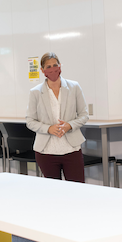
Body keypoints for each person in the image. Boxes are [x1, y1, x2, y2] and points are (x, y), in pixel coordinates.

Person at [26, 52, 89, 182]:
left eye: (55, 65)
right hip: (46, 152)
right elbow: (30, 121)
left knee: (77, 190)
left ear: (60, 66)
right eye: (48, 66)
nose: (52, 69)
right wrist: (48, 128)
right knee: (53, 195)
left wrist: (70, 125)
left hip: (71, 149)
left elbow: (84, 115)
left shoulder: (74, 87)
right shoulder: (35, 92)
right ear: (42, 70)